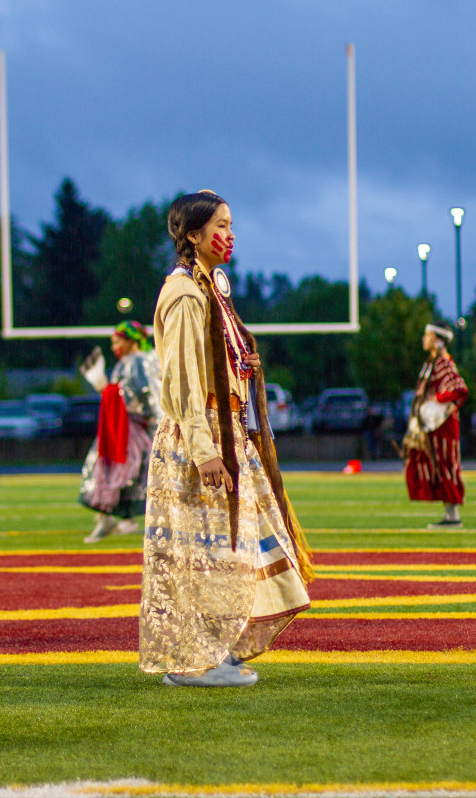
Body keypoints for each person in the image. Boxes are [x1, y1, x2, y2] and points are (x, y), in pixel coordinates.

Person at [141, 190, 313, 688]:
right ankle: (194, 660)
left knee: (242, 545)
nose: (230, 234)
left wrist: (246, 372)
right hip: (204, 443)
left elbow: (218, 370)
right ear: (192, 235)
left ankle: (221, 646)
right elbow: (185, 381)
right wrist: (205, 451)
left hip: (226, 437)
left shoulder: (210, 290)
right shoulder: (184, 295)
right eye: (220, 225)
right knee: (207, 551)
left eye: (232, 224)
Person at [78, 320, 163, 542]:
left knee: (109, 467)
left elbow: (140, 396)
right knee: (132, 474)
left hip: (134, 427)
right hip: (144, 425)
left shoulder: (136, 362)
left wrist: (104, 389)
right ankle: (121, 518)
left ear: (131, 341)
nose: (114, 346)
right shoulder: (153, 358)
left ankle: (112, 517)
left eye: (117, 341)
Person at [404, 322, 468, 527]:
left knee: (446, 464)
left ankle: (453, 515)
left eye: (428, 335)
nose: (424, 339)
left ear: (438, 340)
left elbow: (459, 388)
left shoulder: (443, 362)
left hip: (444, 426)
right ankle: (450, 515)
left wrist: (439, 400)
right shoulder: (432, 363)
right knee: (437, 465)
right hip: (434, 426)